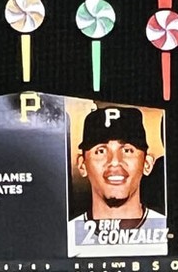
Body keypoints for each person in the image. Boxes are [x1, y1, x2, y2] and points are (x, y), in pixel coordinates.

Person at [68, 105, 166, 255]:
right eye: (100, 151)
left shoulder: (168, 232)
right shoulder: (66, 237)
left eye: (127, 150)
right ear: (82, 165)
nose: (114, 162)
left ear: (147, 164)